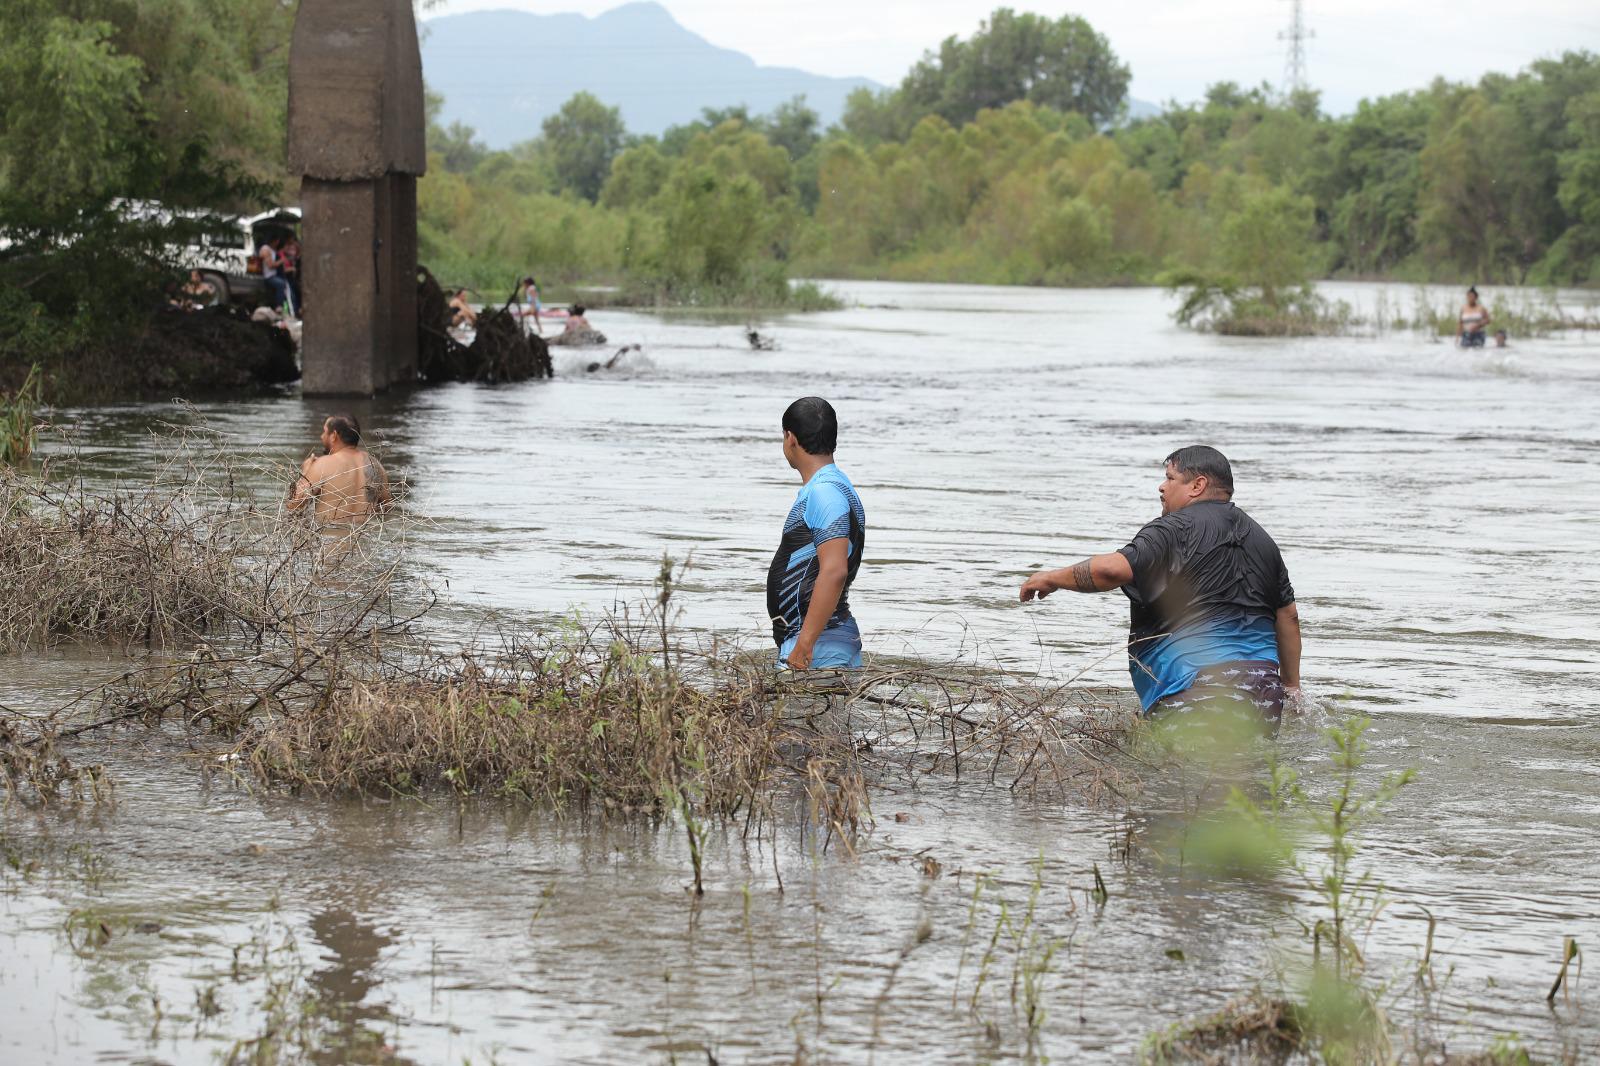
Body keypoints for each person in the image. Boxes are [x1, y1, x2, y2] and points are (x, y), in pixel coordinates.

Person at [1018, 446, 1301, 723]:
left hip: (1195, 687)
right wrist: (1291, 687)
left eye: (1170, 478)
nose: (1161, 487)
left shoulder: (1173, 528)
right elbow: (1288, 616)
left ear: (1197, 485)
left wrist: (1052, 577)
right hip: (1264, 694)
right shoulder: (1263, 540)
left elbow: (1110, 570)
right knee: (1247, 768)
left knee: (1178, 769)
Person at [767, 397, 867, 670]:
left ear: (790, 438)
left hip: (819, 647)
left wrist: (804, 644)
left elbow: (835, 571)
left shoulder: (825, 493)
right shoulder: (836, 486)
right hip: (825, 642)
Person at [287, 414, 391, 527]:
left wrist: (305, 472)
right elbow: (387, 508)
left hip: (330, 541)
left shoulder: (323, 464)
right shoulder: (376, 465)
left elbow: (293, 506)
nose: (322, 436)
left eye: (324, 431)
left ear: (334, 436)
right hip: (363, 540)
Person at [258, 237, 295, 317]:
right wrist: (282, 261)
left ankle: (286, 310)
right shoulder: (266, 249)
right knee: (282, 285)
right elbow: (271, 265)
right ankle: (280, 307)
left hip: (276, 275)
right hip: (270, 276)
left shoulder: (274, 251)